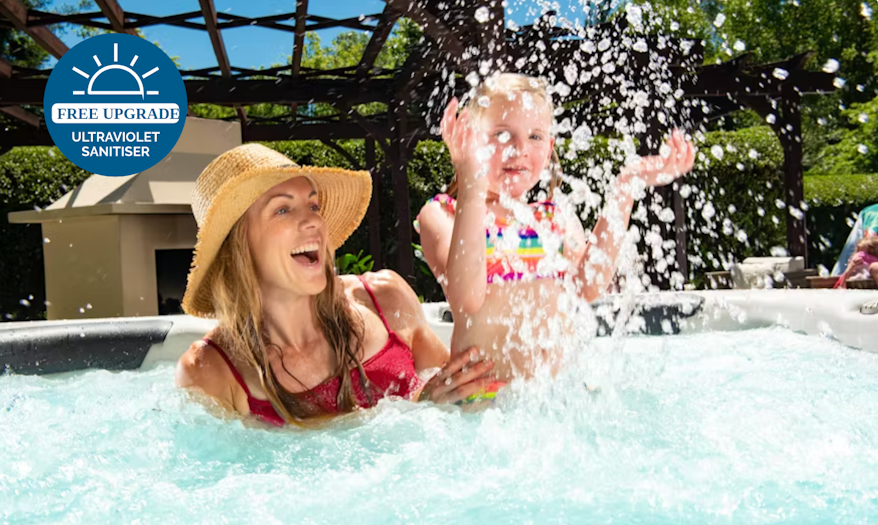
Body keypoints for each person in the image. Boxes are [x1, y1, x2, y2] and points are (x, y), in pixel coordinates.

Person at [176, 144, 495, 425]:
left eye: (313, 206)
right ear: (239, 246)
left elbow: (465, 412)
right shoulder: (210, 370)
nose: (314, 220)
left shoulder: (384, 298)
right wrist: (419, 408)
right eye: (283, 209)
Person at [416, 73, 695, 390]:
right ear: (472, 142)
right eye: (502, 134)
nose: (520, 148)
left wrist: (626, 186)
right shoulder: (444, 214)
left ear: (548, 150)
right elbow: (467, 298)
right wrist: (472, 185)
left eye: (535, 137)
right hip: (482, 408)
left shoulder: (553, 218)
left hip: (553, 403)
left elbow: (590, 285)